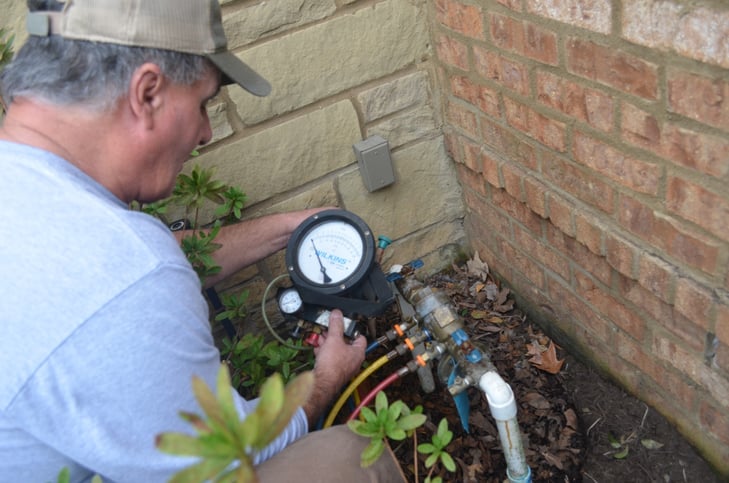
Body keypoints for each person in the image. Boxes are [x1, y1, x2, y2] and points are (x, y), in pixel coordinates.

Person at [0, 1, 404, 481]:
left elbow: (144, 273)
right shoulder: (121, 272)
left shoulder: (30, 191)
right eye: (203, 104)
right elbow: (229, 457)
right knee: (352, 456)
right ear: (147, 93)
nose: (207, 133)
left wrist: (291, 229)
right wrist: (324, 379)